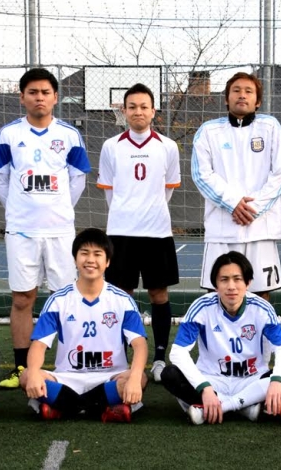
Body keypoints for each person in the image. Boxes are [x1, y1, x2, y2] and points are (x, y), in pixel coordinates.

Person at [0, 68, 91, 389]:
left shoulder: (69, 135)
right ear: (22, 97)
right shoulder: (8, 134)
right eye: (32, 92)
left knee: (65, 300)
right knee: (23, 298)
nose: (39, 98)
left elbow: (77, 179)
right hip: (21, 231)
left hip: (60, 231)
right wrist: (20, 209)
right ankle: (22, 369)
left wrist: (57, 209)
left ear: (55, 97)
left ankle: (67, 366)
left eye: (45, 92)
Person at [97, 83, 180, 383]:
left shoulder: (168, 147)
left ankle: (158, 358)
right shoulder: (111, 146)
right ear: (124, 110)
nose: (138, 112)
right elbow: (109, 191)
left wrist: (149, 210)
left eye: (144, 106)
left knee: (159, 294)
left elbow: (168, 190)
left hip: (157, 232)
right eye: (132, 106)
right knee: (122, 297)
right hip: (121, 233)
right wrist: (127, 212)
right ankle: (121, 358)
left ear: (154, 110)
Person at [20, 228, 147, 422]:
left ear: (108, 261)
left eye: (97, 254)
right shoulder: (58, 300)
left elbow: (140, 345)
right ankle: (102, 408)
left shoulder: (122, 300)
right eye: (84, 253)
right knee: (27, 376)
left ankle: (63, 407)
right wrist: (35, 374)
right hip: (66, 379)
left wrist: (135, 378)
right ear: (75, 259)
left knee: (140, 378)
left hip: (110, 377)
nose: (90, 260)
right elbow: (38, 345)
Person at [160, 251, 281, 425]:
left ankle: (221, 407)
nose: (231, 286)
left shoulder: (262, 308)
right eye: (224, 280)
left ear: (248, 283)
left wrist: (277, 379)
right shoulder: (201, 307)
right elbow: (178, 353)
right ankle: (246, 408)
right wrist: (204, 387)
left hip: (252, 381)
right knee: (170, 374)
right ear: (215, 285)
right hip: (212, 380)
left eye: (237, 279)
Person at [191, 72, 281, 301]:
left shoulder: (270, 126)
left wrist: (252, 208)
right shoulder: (208, 131)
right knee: (217, 293)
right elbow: (201, 175)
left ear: (258, 101)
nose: (242, 95)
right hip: (222, 228)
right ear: (226, 99)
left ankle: (261, 328)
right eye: (236, 90)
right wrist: (233, 203)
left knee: (260, 293)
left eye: (248, 91)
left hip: (260, 227)